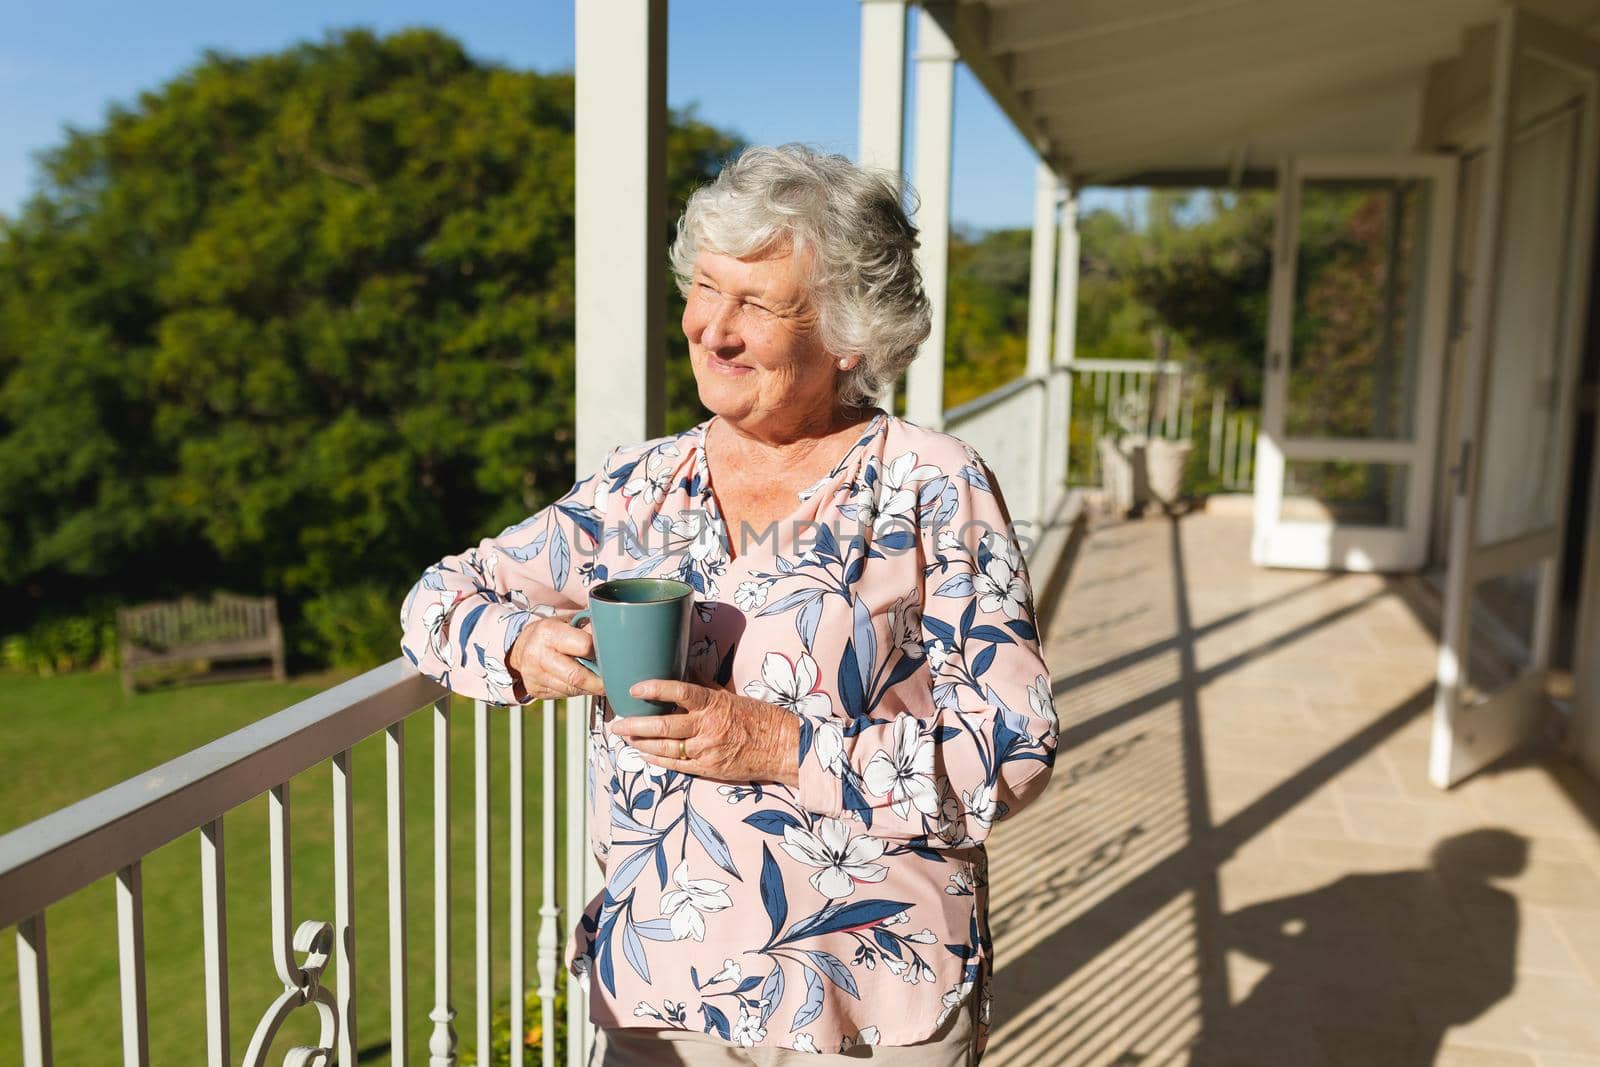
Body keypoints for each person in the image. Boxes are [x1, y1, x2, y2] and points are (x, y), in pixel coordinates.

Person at [400, 144, 1059, 1065]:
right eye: (706, 288)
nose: (713, 329)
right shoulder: (643, 484)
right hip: (662, 990)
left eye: (757, 303)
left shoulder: (931, 486)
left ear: (847, 333)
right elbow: (435, 600)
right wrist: (526, 644)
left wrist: (783, 746)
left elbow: (1015, 748)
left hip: (865, 995)